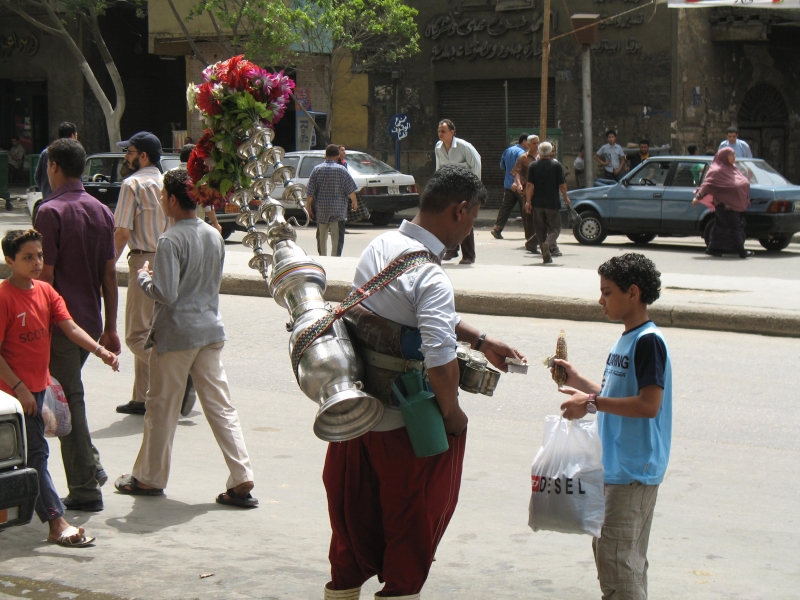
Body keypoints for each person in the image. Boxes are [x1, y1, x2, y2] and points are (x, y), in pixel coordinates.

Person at [323, 164, 524, 600]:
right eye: (471, 219)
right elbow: (440, 365)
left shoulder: (382, 246)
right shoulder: (432, 276)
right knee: (409, 536)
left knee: (350, 535)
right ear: (461, 209)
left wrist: (482, 338)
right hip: (402, 428)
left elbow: (401, 312)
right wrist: (453, 416)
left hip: (354, 413)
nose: (468, 230)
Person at [114, 169, 257, 506]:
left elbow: (165, 293)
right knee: (221, 407)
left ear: (173, 200)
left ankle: (149, 478)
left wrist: (143, 277)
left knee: (160, 408)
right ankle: (242, 475)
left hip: (177, 335)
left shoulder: (170, 239)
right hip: (210, 330)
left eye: (164, 196)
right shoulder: (213, 235)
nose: (162, 200)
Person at [558, 253, 672, 600]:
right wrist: (580, 382)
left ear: (633, 293)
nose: (600, 300)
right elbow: (617, 395)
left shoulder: (647, 341)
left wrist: (590, 404)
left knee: (617, 566)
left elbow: (648, 405)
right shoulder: (627, 339)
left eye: (607, 292)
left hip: (633, 471)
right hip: (616, 469)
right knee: (625, 563)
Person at [0, 229, 119, 547]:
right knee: (36, 455)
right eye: (27, 257)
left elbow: (70, 327)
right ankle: (56, 522)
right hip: (11, 397)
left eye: (39, 255)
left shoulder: (45, 292)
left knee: (30, 455)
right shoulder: (3, 297)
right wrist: (20, 388)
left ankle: (54, 520)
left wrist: (100, 351)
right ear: (9, 260)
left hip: (36, 390)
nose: (37, 262)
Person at [34, 138, 119, 512]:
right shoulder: (101, 210)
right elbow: (109, 277)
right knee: (70, 396)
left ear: (53, 167)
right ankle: (92, 466)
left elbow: (44, 276)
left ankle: (85, 487)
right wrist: (111, 326)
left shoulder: (49, 211)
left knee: (69, 402)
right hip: (89, 321)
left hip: (60, 324)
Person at [113, 132, 167, 415]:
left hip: (143, 261)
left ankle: (178, 376)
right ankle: (142, 397)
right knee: (151, 332)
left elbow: (121, 232)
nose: (126, 157)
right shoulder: (167, 182)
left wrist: (107, 265)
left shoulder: (132, 184)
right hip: (171, 261)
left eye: (130, 152)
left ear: (143, 156)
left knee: (135, 335)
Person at [434, 119, 481, 264]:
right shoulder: (438, 147)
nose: (440, 134)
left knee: (463, 220)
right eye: (439, 131)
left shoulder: (464, 147)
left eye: (443, 131)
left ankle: (468, 255)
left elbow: (477, 164)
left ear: (452, 132)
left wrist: (472, 190)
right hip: (450, 189)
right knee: (449, 219)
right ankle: (452, 250)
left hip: (466, 189)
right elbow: (439, 168)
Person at [692, 146, 753, 259]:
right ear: (725, 156)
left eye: (734, 155)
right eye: (731, 155)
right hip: (725, 205)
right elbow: (707, 185)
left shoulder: (733, 168)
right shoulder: (717, 170)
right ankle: (741, 250)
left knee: (719, 227)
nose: (734, 157)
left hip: (735, 204)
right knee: (735, 227)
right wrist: (698, 197)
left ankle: (713, 248)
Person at [306, 144, 359, 256]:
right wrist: (354, 202)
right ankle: (335, 259)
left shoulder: (316, 170)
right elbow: (351, 190)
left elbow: (310, 192)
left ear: (326, 156)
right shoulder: (342, 170)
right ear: (337, 157)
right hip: (338, 211)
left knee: (322, 238)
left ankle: (323, 258)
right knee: (337, 239)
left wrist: (308, 208)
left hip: (322, 210)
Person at [525, 141, 570, 265]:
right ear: (551, 152)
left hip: (537, 203)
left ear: (539, 152)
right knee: (556, 227)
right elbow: (562, 185)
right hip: (552, 203)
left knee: (540, 230)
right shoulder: (556, 166)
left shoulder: (533, 166)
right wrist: (566, 197)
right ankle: (548, 244)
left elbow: (529, 186)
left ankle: (546, 255)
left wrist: (528, 202)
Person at [491, 132, 529, 240]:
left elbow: (502, 165)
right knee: (525, 209)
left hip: (508, 184)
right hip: (520, 185)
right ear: (524, 141)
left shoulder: (508, 150)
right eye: (529, 142)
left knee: (506, 207)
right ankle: (529, 233)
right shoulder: (523, 154)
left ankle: (497, 228)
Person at [179, 144, 221, 234]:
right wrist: (215, 223)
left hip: (173, 228)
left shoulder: (168, 176)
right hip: (195, 229)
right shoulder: (198, 179)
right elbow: (207, 206)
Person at [34, 122, 78, 202]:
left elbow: (37, 176)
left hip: (48, 199)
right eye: (76, 135)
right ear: (72, 136)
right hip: (68, 202)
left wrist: (45, 189)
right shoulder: (75, 154)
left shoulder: (46, 152)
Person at [512, 135, 540, 254]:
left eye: (538, 143)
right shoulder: (523, 158)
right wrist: (518, 184)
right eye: (534, 143)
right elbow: (517, 173)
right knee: (527, 216)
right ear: (528, 145)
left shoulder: (542, 157)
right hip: (527, 191)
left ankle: (538, 240)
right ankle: (530, 240)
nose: (536, 145)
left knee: (540, 215)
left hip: (539, 191)